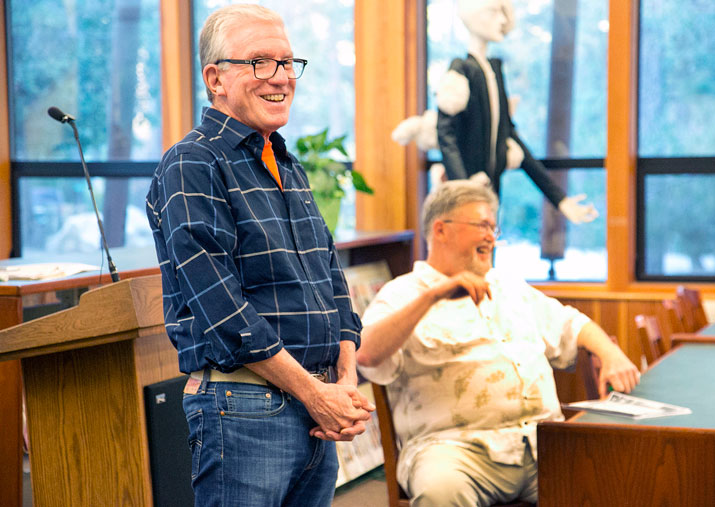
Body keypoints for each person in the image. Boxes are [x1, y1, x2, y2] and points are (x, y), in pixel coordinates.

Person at [145, 5, 373, 506]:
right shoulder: (192, 163)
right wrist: (317, 394)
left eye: (289, 62)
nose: (282, 77)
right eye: (260, 62)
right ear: (216, 78)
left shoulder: (285, 162)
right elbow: (224, 310)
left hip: (316, 406)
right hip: (244, 407)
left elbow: (330, 279)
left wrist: (345, 380)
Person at [356, 180, 639, 506]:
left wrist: (611, 353)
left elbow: (571, 324)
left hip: (540, 443)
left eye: (494, 227)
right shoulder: (403, 293)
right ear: (441, 230)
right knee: (440, 492)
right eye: (482, 225)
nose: (492, 236)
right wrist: (434, 296)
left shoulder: (509, 287)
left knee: (616, 475)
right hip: (454, 450)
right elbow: (367, 354)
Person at [435, 0, 598, 224]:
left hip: (489, 195)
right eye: (495, 12)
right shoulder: (461, 71)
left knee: (486, 249)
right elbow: (446, 135)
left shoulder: (494, 71)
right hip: (465, 199)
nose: (502, 21)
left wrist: (560, 200)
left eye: (504, 13)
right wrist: (464, 191)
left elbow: (509, 135)